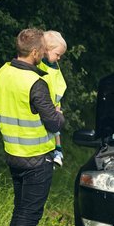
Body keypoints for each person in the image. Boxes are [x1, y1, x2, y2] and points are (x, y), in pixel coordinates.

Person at [0, 28, 65, 226]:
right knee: (28, 217)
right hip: (36, 158)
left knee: (19, 214)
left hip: (13, 153)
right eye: (42, 50)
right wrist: (58, 114)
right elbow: (54, 122)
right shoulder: (35, 83)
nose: (45, 53)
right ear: (34, 52)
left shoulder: (1, 74)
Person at [38, 30, 67, 167]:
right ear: (46, 49)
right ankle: (56, 151)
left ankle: (58, 150)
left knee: (55, 128)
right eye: (57, 54)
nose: (59, 58)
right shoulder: (40, 66)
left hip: (55, 105)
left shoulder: (54, 66)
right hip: (45, 107)